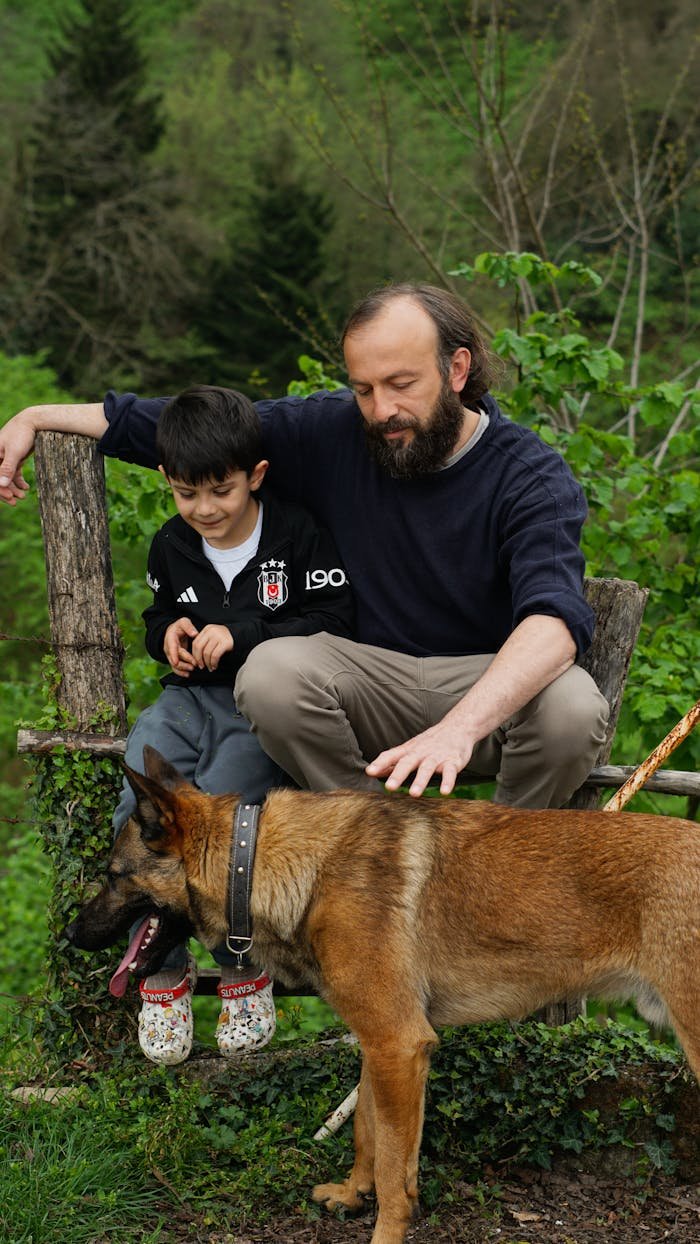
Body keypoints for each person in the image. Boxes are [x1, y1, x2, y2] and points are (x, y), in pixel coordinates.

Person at [0, 282, 608, 812]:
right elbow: (191, 431)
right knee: (270, 673)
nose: (382, 410)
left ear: (457, 370)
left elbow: (553, 622)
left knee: (573, 709)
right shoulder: (332, 431)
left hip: (482, 691)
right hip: (358, 687)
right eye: (363, 389)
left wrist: (458, 729)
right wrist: (36, 416)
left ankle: (497, 861)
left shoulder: (530, 476)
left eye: (401, 384)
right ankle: (375, 840)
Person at [103, 384, 354, 1065]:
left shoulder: (296, 534)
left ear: (255, 476)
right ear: (167, 480)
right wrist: (167, 637)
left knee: (225, 814)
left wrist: (242, 634)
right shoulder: (170, 544)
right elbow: (157, 617)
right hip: (187, 701)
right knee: (136, 805)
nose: (206, 508)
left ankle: (242, 962)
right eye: (187, 493)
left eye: (222, 490)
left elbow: (334, 621)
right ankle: (164, 967)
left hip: (258, 707)